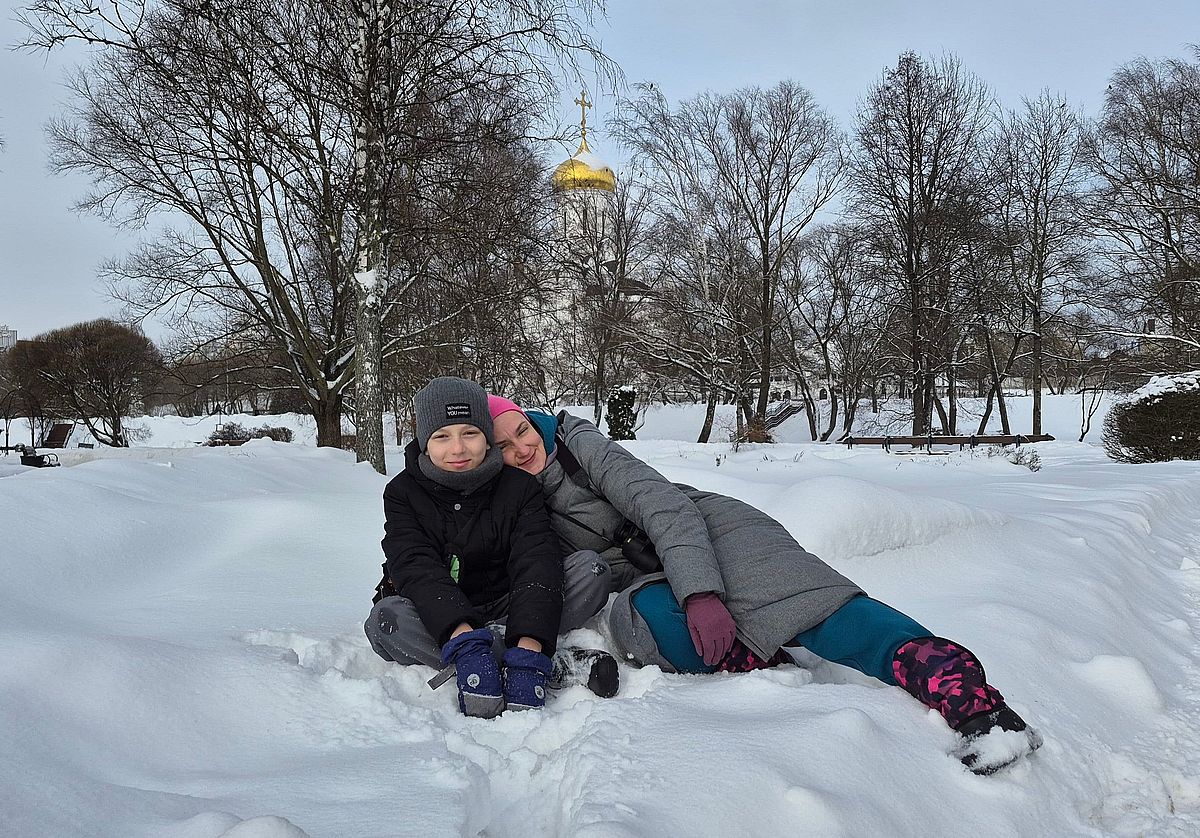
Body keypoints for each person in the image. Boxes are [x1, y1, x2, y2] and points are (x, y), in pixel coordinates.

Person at [488, 396, 1043, 774]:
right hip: (644, 572)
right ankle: (766, 663)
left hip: (704, 527)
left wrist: (701, 592)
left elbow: (663, 507)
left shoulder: (580, 444)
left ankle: (978, 709)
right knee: (656, 626)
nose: (523, 447)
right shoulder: (513, 499)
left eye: (523, 430)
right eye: (506, 446)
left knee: (814, 610)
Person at [363, 377, 616, 719]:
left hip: (512, 602)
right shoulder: (402, 492)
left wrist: (529, 643)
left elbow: (536, 560)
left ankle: (521, 654)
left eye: (469, 433)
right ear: (425, 441)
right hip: (438, 611)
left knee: (591, 570)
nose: (458, 449)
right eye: (442, 436)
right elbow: (414, 564)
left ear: (486, 435)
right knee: (385, 621)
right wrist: (464, 638)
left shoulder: (519, 486)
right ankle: (553, 665)